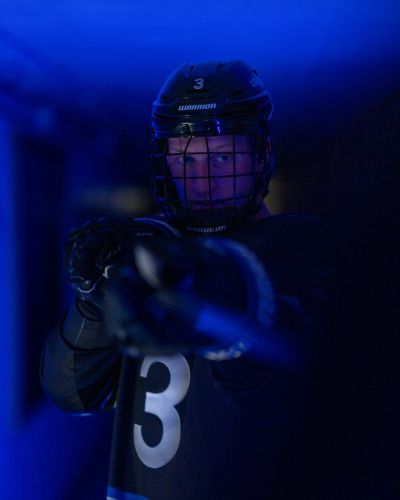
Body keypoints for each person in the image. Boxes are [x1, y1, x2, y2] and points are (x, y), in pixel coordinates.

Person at [41, 60, 330, 500]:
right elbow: (74, 395)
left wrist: (236, 303)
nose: (201, 182)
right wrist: (94, 302)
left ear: (262, 155)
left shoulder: (308, 250)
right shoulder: (148, 252)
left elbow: (320, 399)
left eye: (222, 157)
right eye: (185, 159)